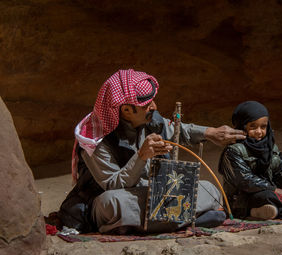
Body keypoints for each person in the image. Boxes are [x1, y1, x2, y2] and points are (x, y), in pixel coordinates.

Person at [58, 69, 246, 234]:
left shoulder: (150, 120)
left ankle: (152, 224)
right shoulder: (96, 140)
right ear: (126, 110)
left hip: (153, 192)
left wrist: (211, 133)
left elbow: (181, 130)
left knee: (209, 189)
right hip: (122, 196)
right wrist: (141, 156)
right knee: (112, 204)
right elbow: (113, 185)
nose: (154, 106)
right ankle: (182, 220)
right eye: (146, 105)